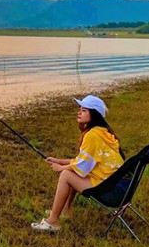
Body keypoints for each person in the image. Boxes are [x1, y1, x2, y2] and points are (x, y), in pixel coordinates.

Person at [30, 94, 124, 232]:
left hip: (107, 188)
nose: (79, 112)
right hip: (113, 183)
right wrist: (59, 161)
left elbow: (81, 166)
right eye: (80, 109)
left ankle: (53, 221)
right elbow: (83, 161)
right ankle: (65, 211)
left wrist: (61, 167)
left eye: (84, 110)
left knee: (66, 175)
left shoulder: (92, 135)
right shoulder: (102, 132)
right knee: (70, 171)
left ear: (94, 114)